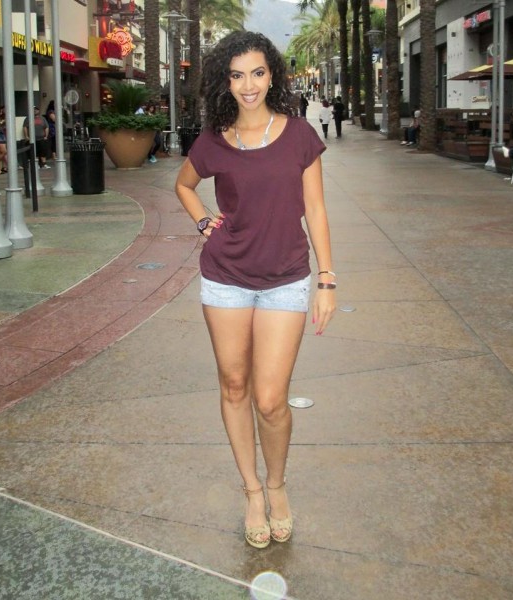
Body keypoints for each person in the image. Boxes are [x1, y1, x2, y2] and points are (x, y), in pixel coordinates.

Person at [175, 31, 336, 549]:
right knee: (234, 385)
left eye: (258, 73)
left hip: (285, 279)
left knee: (270, 400)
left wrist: (326, 279)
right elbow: (183, 184)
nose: (249, 85)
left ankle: (277, 484)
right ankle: (251, 491)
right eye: (237, 75)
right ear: (225, 82)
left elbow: (316, 209)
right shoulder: (214, 140)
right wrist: (204, 221)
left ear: (273, 76)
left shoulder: (299, 135)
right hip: (225, 279)